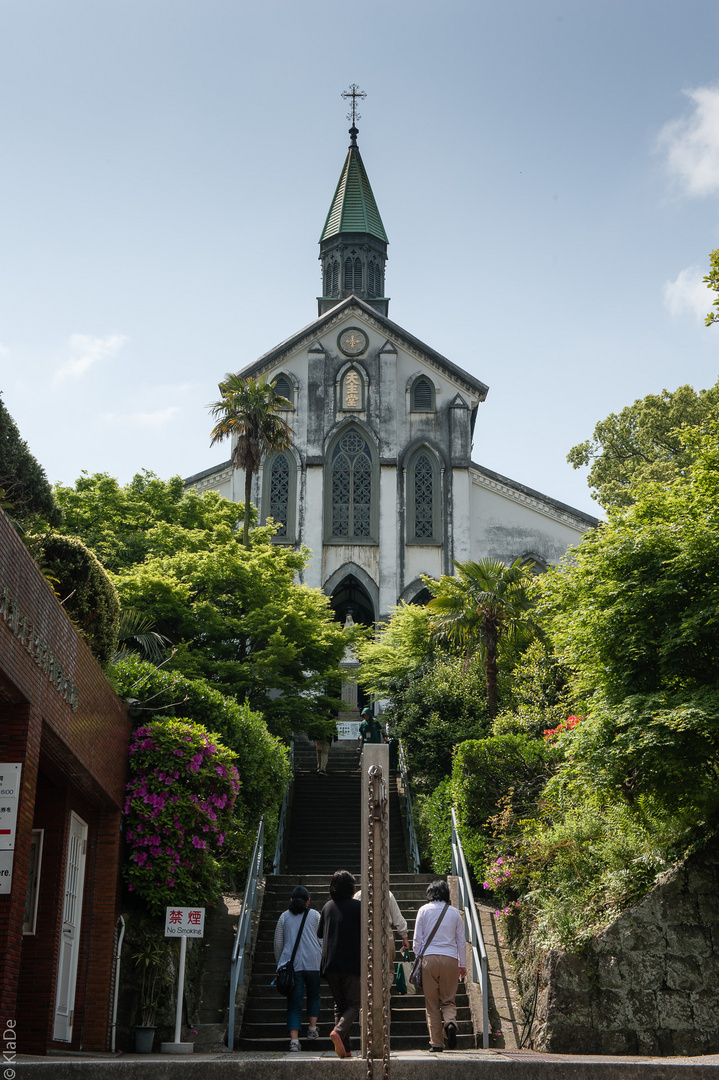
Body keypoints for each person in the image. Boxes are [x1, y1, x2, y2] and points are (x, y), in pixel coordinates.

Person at [412, 879, 467, 1053]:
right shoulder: (454, 913)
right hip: (450, 959)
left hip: (429, 959)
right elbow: (461, 942)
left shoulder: (423, 910)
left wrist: (420, 956)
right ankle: (450, 1023)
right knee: (448, 999)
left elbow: (416, 941)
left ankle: (436, 1044)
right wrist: (462, 964)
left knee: (432, 1003)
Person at [317, 869, 361, 1058]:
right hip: (351, 963)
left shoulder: (327, 907)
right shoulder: (357, 907)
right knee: (354, 1004)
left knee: (339, 1005)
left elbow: (319, 933)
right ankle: (339, 1031)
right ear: (349, 888)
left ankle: (346, 1049)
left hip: (330, 964)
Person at [274, 885, 322, 1052]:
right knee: (314, 995)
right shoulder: (315, 915)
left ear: (291, 900)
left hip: (292, 966)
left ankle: (294, 1041)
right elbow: (322, 939)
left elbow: (278, 943)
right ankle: (312, 1029)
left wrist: (280, 965)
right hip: (314, 963)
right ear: (308, 901)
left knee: (294, 1003)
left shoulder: (283, 917)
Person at [353, 885, 410, 980]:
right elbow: (398, 918)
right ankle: (386, 993)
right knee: (388, 970)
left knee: (366, 970)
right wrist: (404, 936)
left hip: (365, 935)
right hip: (385, 934)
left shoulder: (358, 896)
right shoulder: (388, 894)